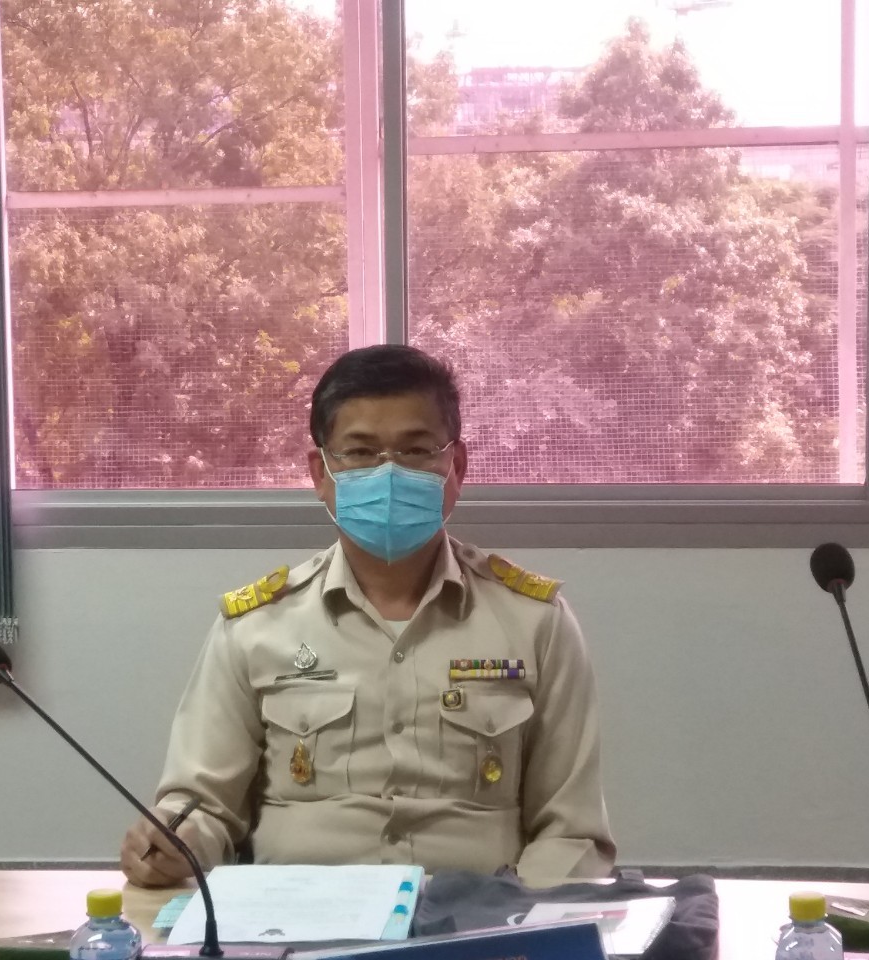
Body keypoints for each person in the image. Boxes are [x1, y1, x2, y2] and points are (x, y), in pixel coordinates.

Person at [120, 345, 616, 886]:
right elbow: (202, 806)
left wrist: (522, 922)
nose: (389, 473)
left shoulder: (535, 624)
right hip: (295, 915)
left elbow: (570, 835)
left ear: (456, 466)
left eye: (416, 450)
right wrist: (175, 841)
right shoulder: (254, 628)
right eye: (359, 452)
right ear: (320, 472)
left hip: (476, 918)